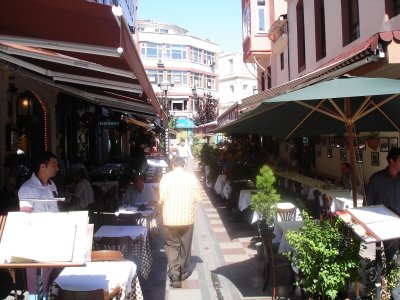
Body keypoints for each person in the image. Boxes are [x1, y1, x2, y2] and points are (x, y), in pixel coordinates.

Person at [17, 151, 61, 299]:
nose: (57, 168)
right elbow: (25, 218)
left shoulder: (51, 185)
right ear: (42, 166)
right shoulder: (27, 189)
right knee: (37, 285)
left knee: (50, 282)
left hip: (53, 239)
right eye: (53, 165)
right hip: (36, 243)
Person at [159, 156, 200, 288]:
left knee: (172, 246)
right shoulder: (191, 178)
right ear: (183, 165)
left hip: (169, 219)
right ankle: (182, 272)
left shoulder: (165, 178)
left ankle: (174, 274)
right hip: (187, 218)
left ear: (172, 165)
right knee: (185, 246)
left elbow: (162, 198)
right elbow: (196, 198)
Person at [365, 147, 400, 299]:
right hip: (384, 230)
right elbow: (368, 204)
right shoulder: (376, 179)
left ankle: (396, 292)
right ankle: (383, 292)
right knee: (386, 261)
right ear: (391, 161)